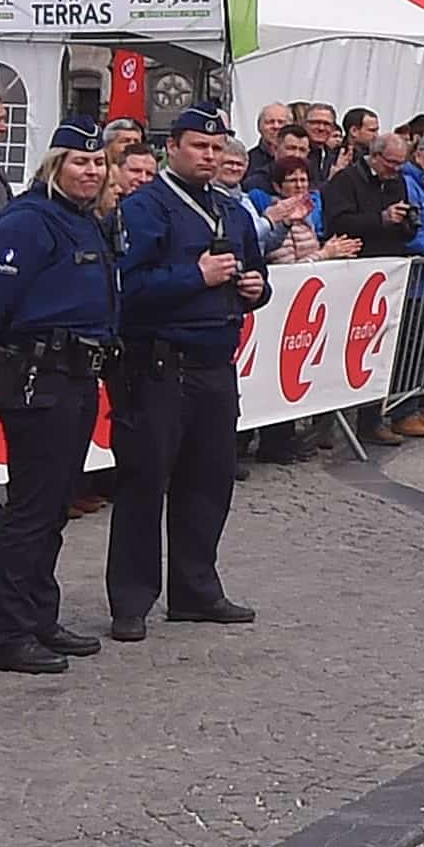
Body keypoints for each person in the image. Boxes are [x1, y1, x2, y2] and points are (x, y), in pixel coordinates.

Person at [103, 108, 270, 639]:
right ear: (171, 147)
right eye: (200, 146)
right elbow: (125, 287)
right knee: (144, 482)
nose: (211, 157)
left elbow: (255, 273)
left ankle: (195, 588)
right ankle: (131, 599)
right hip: (157, 364)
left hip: (215, 363)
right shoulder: (147, 208)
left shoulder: (232, 211)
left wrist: (255, 290)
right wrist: (192, 275)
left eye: (218, 149)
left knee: (209, 480)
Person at [0, 133, 120, 672]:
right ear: (55, 165)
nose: (91, 172)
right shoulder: (30, 221)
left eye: (99, 162)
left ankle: (38, 617)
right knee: (29, 510)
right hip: (36, 377)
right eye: (80, 162)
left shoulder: (83, 218)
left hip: (75, 375)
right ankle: (5, 635)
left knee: (54, 507)